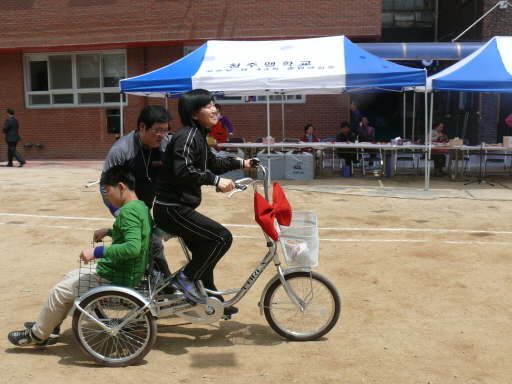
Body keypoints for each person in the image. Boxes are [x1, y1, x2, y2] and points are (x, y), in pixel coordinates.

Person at [8, 165, 153, 347]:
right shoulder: (140, 207)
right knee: (69, 277)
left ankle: (38, 335)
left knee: (59, 292)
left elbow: (132, 248)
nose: (107, 196)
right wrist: (108, 231)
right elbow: (134, 238)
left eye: (108, 191)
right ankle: (50, 327)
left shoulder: (128, 211)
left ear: (121, 187)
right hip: (124, 269)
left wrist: (96, 252)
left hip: (117, 274)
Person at [153, 89, 252, 315]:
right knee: (221, 238)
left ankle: (212, 302)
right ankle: (183, 280)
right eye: (208, 106)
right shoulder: (187, 136)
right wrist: (216, 181)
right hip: (172, 210)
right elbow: (183, 170)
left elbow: (213, 163)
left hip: (179, 208)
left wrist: (243, 163)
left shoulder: (197, 134)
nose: (215, 109)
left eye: (214, 104)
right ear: (194, 113)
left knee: (205, 251)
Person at [101, 105, 173, 282]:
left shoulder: (167, 144)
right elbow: (106, 187)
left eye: (166, 130)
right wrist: (122, 213)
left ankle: (157, 282)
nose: (162, 136)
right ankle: (165, 286)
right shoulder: (121, 150)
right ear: (142, 126)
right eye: (157, 130)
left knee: (150, 245)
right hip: (129, 207)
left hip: (150, 203)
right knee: (148, 244)